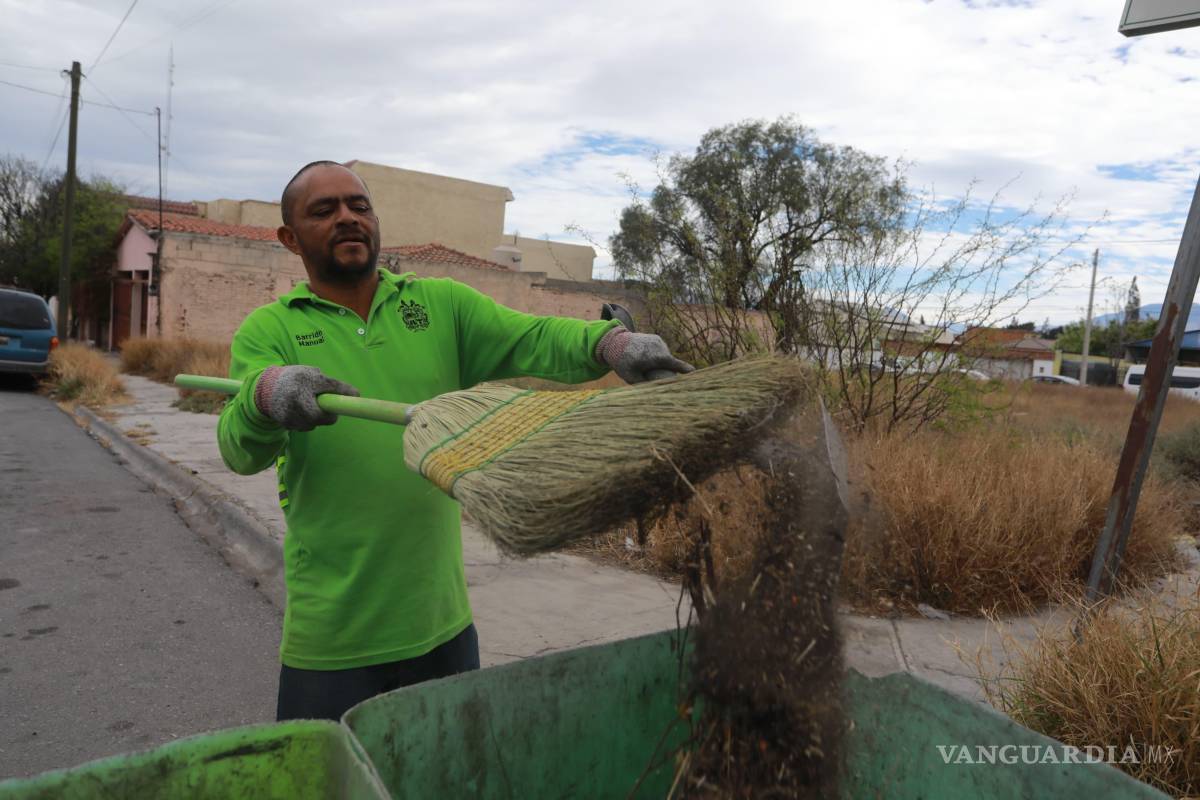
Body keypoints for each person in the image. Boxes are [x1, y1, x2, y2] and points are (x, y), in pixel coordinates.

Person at [217, 161, 692, 721]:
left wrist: (608, 344)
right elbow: (238, 450)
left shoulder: (439, 305)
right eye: (324, 210)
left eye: (359, 206)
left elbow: (532, 336)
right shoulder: (270, 330)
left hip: (444, 630)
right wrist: (264, 395)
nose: (347, 217)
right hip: (332, 642)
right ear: (290, 238)